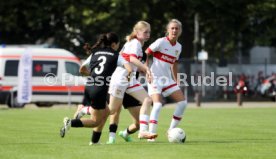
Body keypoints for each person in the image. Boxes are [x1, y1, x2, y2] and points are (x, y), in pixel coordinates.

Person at [59, 32, 121, 144]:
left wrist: (94, 76)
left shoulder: (95, 54)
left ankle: (94, 141)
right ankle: (70, 122)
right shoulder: (116, 55)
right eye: (118, 44)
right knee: (95, 122)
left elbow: (81, 69)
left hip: (89, 86)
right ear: (113, 44)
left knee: (108, 112)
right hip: (99, 90)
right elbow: (129, 67)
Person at [108, 20, 157, 139]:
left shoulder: (134, 43)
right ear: (137, 32)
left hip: (129, 79)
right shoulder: (135, 43)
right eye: (145, 32)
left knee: (147, 100)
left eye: (149, 32)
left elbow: (125, 58)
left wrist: (143, 70)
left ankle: (143, 131)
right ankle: (85, 109)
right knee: (111, 110)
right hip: (121, 79)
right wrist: (146, 69)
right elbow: (132, 59)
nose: (148, 34)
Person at [145, 19, 188, 141]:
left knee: (183, 103)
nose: (174, 30)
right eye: (172, 28)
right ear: (168, 30)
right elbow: (145, 54)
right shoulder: (161, 42)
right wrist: (147, 71)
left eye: (177, 28)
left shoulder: (178, 47)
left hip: (167, 79)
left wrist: (177, 80)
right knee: (157, 105)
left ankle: (170, 131)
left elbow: (174, 64)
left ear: (179, 31)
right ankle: (151, 136)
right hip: (155, 78)